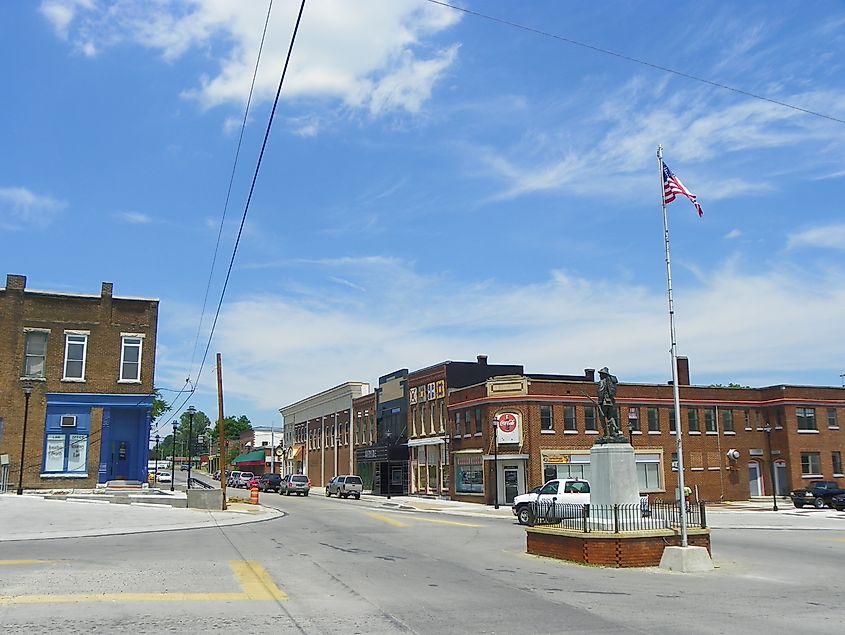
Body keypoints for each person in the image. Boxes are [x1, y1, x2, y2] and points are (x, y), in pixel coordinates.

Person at [597, 367, 622, 441]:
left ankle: (606, 433)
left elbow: (601, 391)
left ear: (603, 374)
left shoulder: (602, 382)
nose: (599, 375)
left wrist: (599, 402)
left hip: (604, 402)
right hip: (611, 402)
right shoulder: (611, 383)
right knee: (610, 417)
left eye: (600, 374)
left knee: (602, 418)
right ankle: (614, 429)